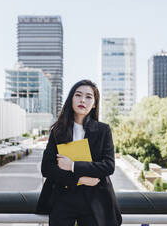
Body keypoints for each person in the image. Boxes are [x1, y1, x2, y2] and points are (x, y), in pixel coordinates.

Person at [36, 80, 122, 226]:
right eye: (78, 95)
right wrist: (79, 180)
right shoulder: (57, 131)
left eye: (89, 97)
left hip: (95, 199)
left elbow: (108, 166)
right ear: (71, 99)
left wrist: (73, 166)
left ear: (94, 104)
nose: (83, 100)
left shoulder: (103, 130)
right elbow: (47, 168)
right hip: (63, 198)